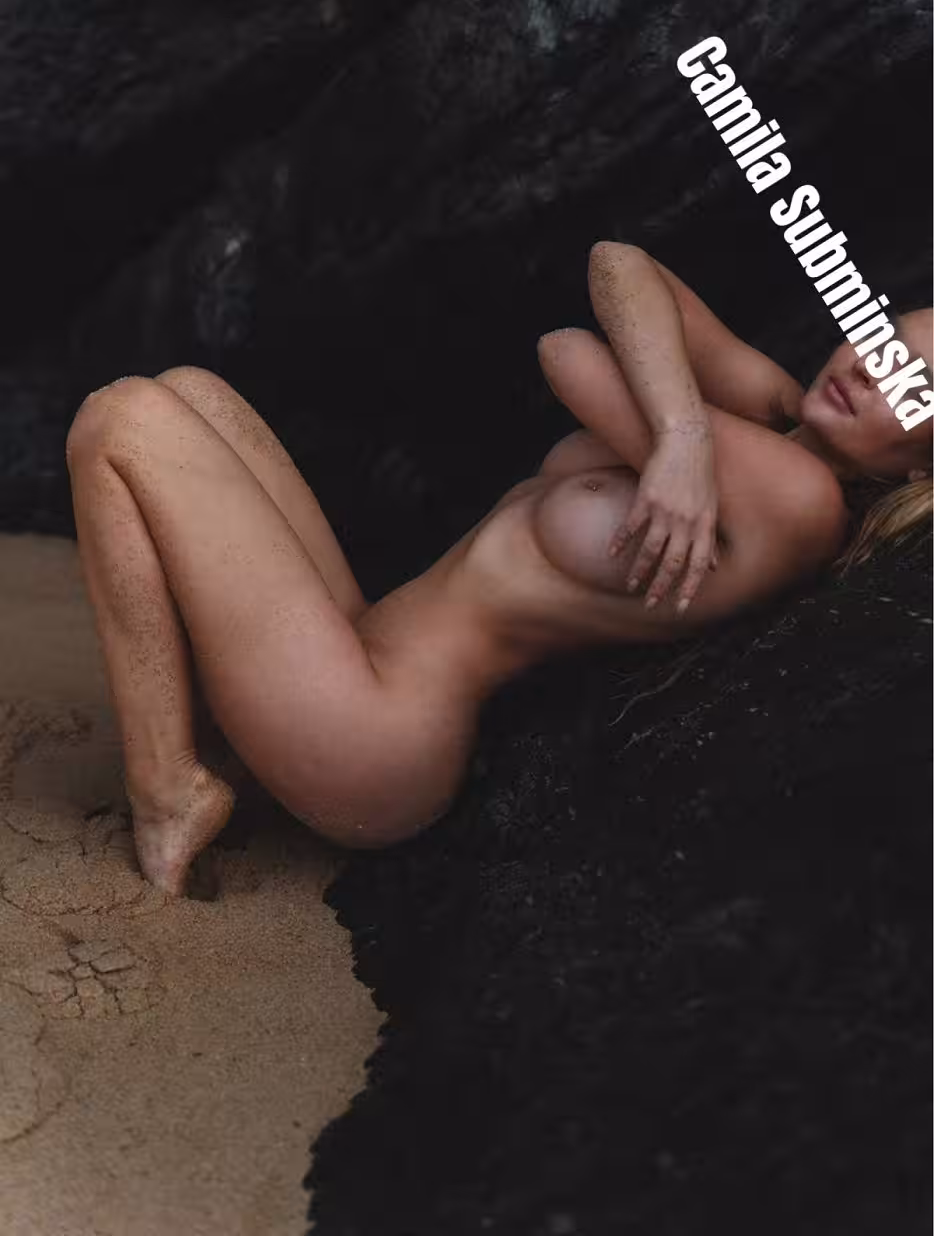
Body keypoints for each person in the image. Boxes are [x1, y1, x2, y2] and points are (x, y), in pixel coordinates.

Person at [64, 243, 933, 895]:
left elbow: (572, 356)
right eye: (885, 338)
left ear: (921, 468)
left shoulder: (800, 500)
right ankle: (218, 743)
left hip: (373, 734)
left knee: (123, 419)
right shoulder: (769, 416)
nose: (872, 368)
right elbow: (619, 263)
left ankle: (168, 787)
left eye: (916, 386)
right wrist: (688, 429)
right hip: (358, 649)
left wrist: (683, 433)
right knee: (193, 393)